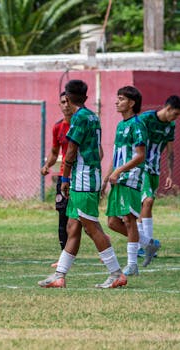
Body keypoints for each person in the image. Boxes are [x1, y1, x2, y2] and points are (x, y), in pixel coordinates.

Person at [38, 79, 126, 289]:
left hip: (83, 179)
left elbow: (70, 150)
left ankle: (116, 273)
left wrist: (65, 177)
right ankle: (60, 275)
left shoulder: (78, 118)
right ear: (85, 98)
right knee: (73, 226)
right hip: (86, 177)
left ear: (67, 98)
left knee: (91, 227)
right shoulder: (92, 116)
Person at [101, 86, 147, 277]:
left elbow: (140, 156)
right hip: (117, 178)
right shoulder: (121, 125)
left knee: (128, 219)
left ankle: (132, 264)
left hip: (131, 176)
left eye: (121, 99)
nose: (116, 102)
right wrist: (106, 177)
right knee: (112, 222)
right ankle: (147, 243)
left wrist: (119, 171)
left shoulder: (138, 124)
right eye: (117, 98)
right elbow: (116, 154)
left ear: (131, 103)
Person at [136, 95, 180, 267]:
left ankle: (143, 244)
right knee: (148, 201)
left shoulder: (170, 126)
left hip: (155, 169)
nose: (175, 118)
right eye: (175, 114)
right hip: (141, 167)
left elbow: (170, 152)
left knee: (146, 206)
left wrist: (169, 174)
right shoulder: (146, 119)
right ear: (167, 108)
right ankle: (148, 245)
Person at [41, 92, 72, 258]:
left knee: (84, 220)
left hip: (80, 177)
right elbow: (54, 152)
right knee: (63, 217)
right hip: (63, 177)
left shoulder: (81, 125)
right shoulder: (58, 127)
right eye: (63, 102)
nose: (66, 105)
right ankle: (64, 256)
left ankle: (103, 247)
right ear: (59, 105)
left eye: (68, 101)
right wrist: (47, 165)